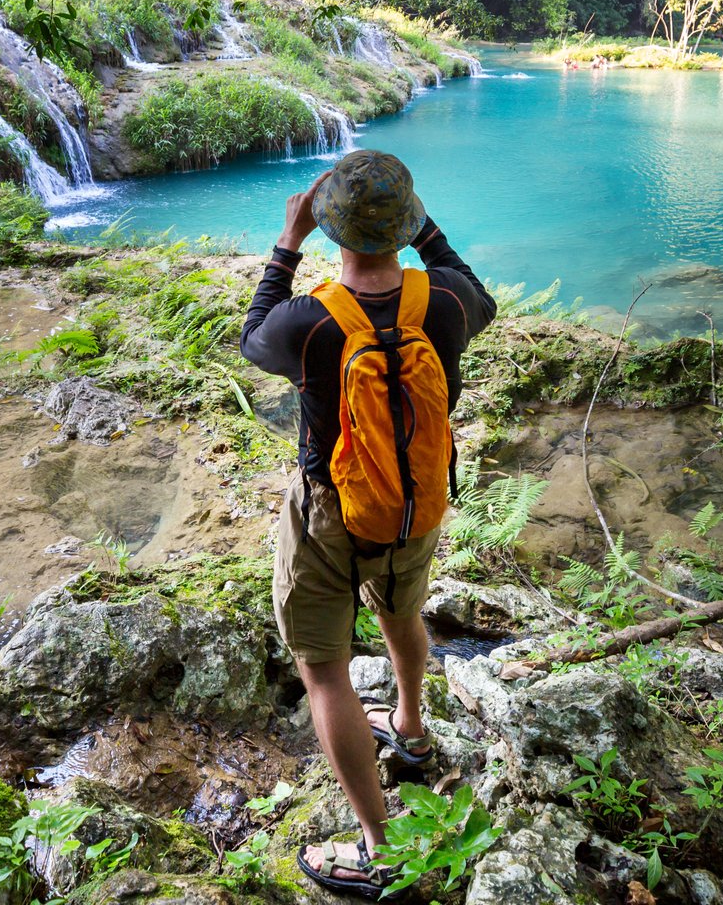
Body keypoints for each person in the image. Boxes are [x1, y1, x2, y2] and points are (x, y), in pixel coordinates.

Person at [239, 149, 496, 897]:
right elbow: (477, 287)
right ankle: (410, 729)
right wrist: (420, 227)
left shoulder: (309, 322)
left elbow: (253, 334)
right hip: (416, 503)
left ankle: (380, 850)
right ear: (410, 224)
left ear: (329, 230)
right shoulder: (444, 301)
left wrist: (287, 243)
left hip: (329, 512)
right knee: (403, 608)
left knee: (324, 672)